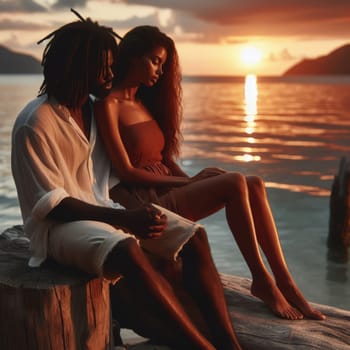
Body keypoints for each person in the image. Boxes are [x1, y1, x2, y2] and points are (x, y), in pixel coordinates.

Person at [11, 14, 243, 350]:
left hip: (104, 210)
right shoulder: (35, 123)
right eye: (104, 67)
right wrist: (125, 219)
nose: (111, 74)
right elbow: (53, 205)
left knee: (193, 237)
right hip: (57, 230)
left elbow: (124, 171)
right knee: (128, 248)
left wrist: (165, 195)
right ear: (80, 67)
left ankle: (229, 342)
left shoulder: (94, 110)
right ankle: (202, 346)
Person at [94, 25, 325, 321]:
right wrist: (188, 182)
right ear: (133, 57)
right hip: (144, 205)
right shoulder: (108, 105)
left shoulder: (143, 103)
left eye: (163, 64)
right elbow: (126, 171)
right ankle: (262, 281)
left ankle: (286, 283)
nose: (160, 70)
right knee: (233, 182)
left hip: (168, 189)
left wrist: (193, 179)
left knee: (253, 183)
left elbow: (162, 159)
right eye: (155, 60)